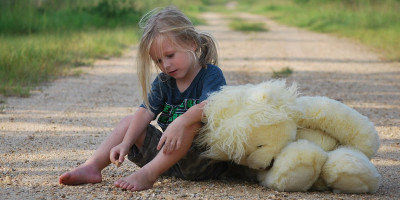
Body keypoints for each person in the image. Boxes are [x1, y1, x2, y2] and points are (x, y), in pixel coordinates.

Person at [58, 6, 229, 191]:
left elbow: (211, 106)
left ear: (191, 43)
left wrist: (181, 122)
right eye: (158, 61)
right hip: (167, 159)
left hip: (202, 162)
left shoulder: (210, 74)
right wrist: (126, 142)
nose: (166, 65)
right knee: (129, 122)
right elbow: (146, 111)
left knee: (192, 123)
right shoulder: (164, 81)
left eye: (170, 55)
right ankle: (92, 166)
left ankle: (148, 175)